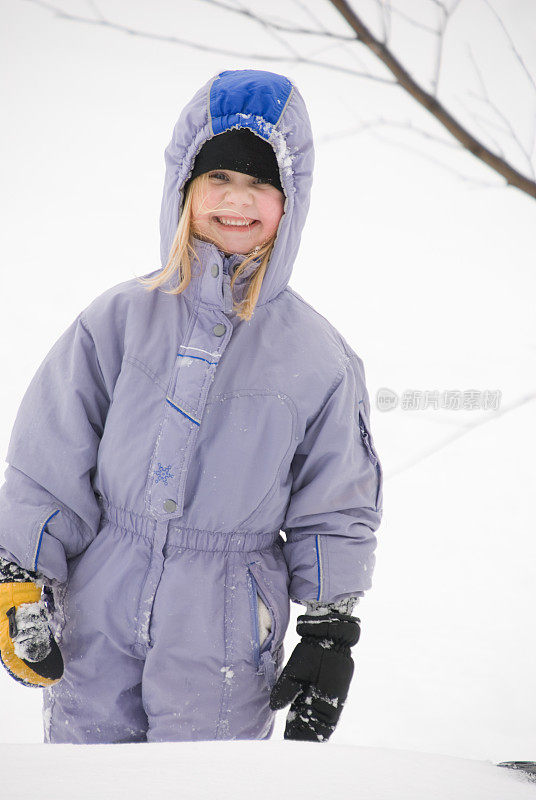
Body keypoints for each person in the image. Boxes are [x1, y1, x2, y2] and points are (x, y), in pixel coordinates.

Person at [0, 68, 383, 743]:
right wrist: (21, 573)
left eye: (261, 184)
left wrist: (330, 628)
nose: (238, 201)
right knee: (84, 780)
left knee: (204, 781)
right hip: (101, 604)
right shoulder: (120, 319)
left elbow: (337, 503)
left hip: (228, 629)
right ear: (184, 187)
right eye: (219, 179)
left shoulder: (318, 357)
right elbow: (48, 459)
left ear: (291, 200)